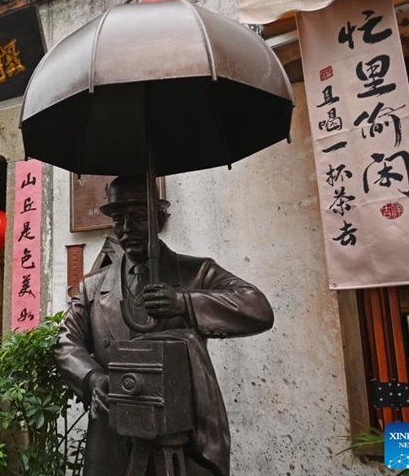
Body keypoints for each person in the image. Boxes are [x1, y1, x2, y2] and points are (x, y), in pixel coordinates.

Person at [55, 176, 274, 476]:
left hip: (179, 441)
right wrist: (93, 379)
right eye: (119, 219)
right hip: (112, 436)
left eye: (139, 217)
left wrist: (186, 303)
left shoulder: (196, 272)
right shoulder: (93, 287)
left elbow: (257, 307)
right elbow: (67, 343)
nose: (127, 229)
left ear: (159, 219)